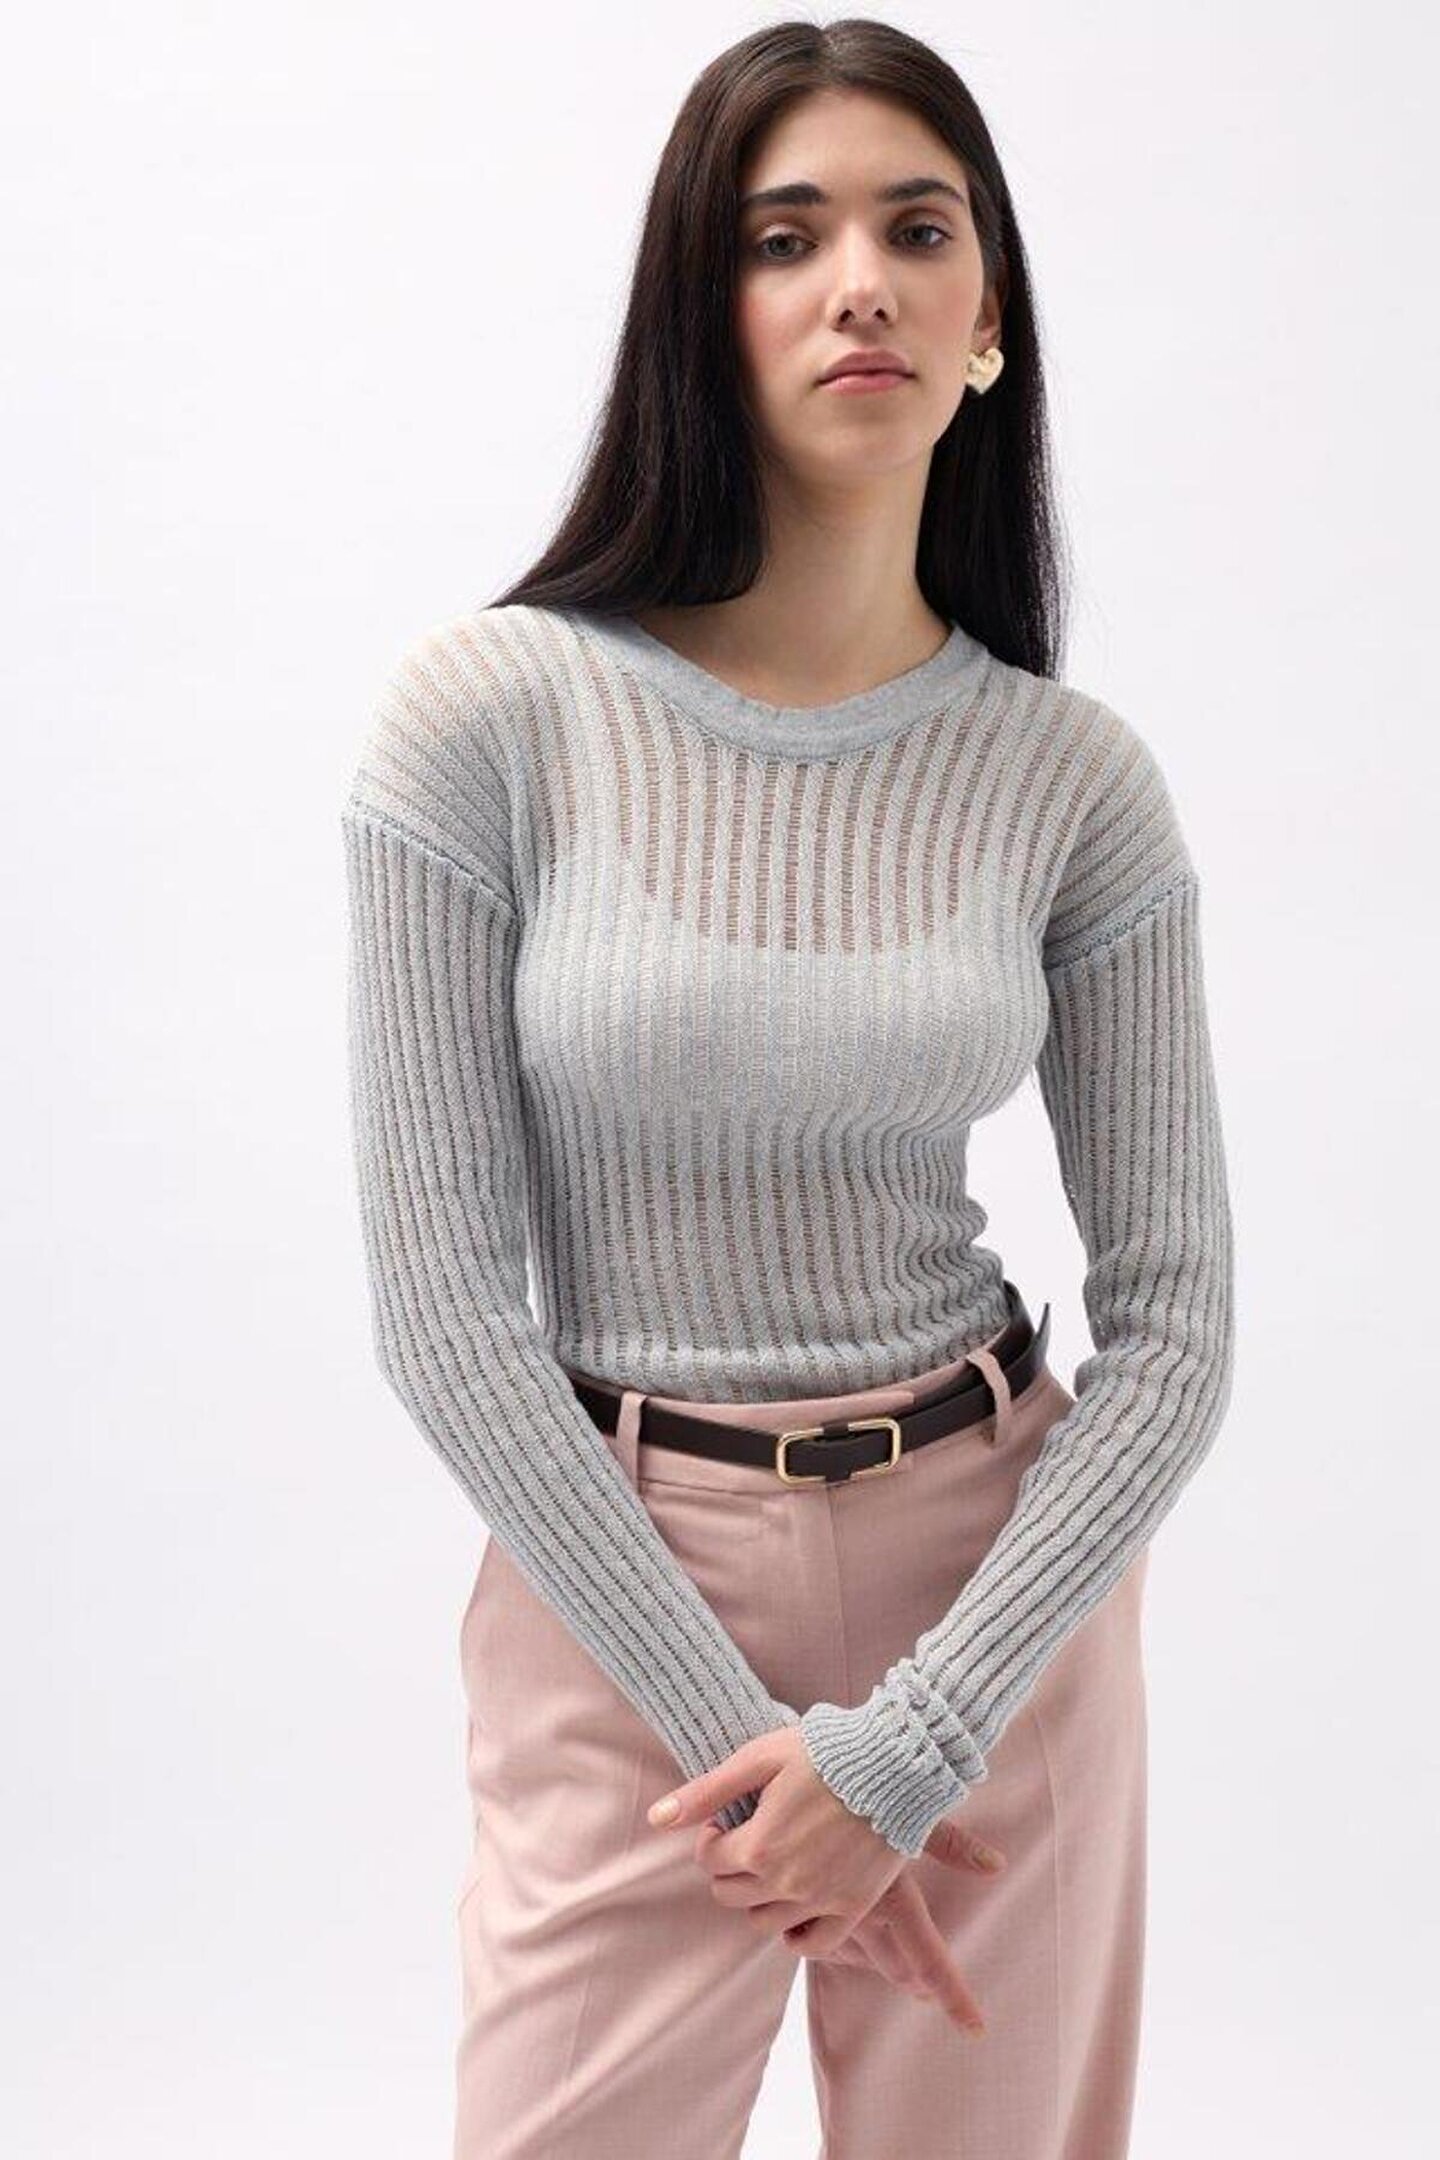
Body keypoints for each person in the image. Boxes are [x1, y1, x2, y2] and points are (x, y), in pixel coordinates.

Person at [340, 19, 1235, 2158]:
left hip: (996, 1600)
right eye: (785, 236)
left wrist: (912, 1749)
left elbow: (1180, 1324)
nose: (862, 284)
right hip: (615, 1586)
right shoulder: (489, 721)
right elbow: (446, 1316)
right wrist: (757, 1764)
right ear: (701, 307)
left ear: (990, 316)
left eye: (920, 231)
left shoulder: (1070, 779)